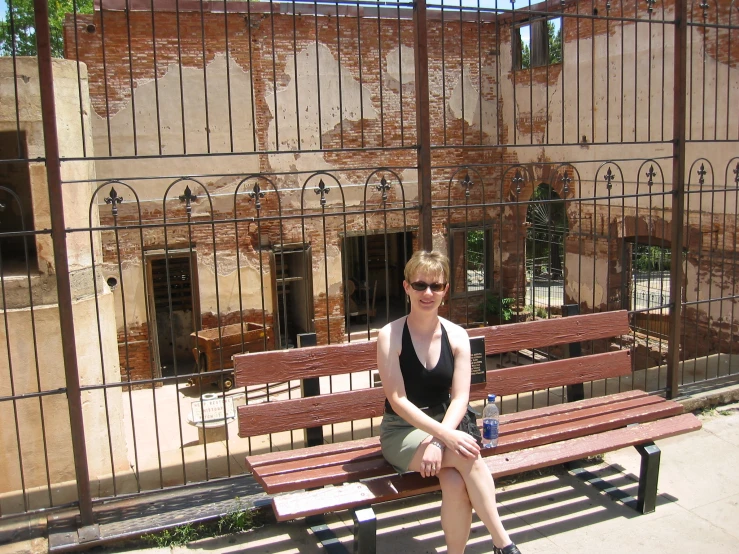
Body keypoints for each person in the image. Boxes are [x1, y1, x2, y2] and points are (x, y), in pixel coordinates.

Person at [377, 250, 521, 554]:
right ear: (406, 287)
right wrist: (442, 438)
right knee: (468, 456)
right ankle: (504, 545)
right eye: (419, 285)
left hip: (447, 427)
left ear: (445, 290)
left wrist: (439, 442)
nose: (427, 293)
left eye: (436, 286)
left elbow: (460, 398)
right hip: (402, 430)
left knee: (455, 483)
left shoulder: (457, 335)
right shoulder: (390, 335)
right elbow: (397, 399)